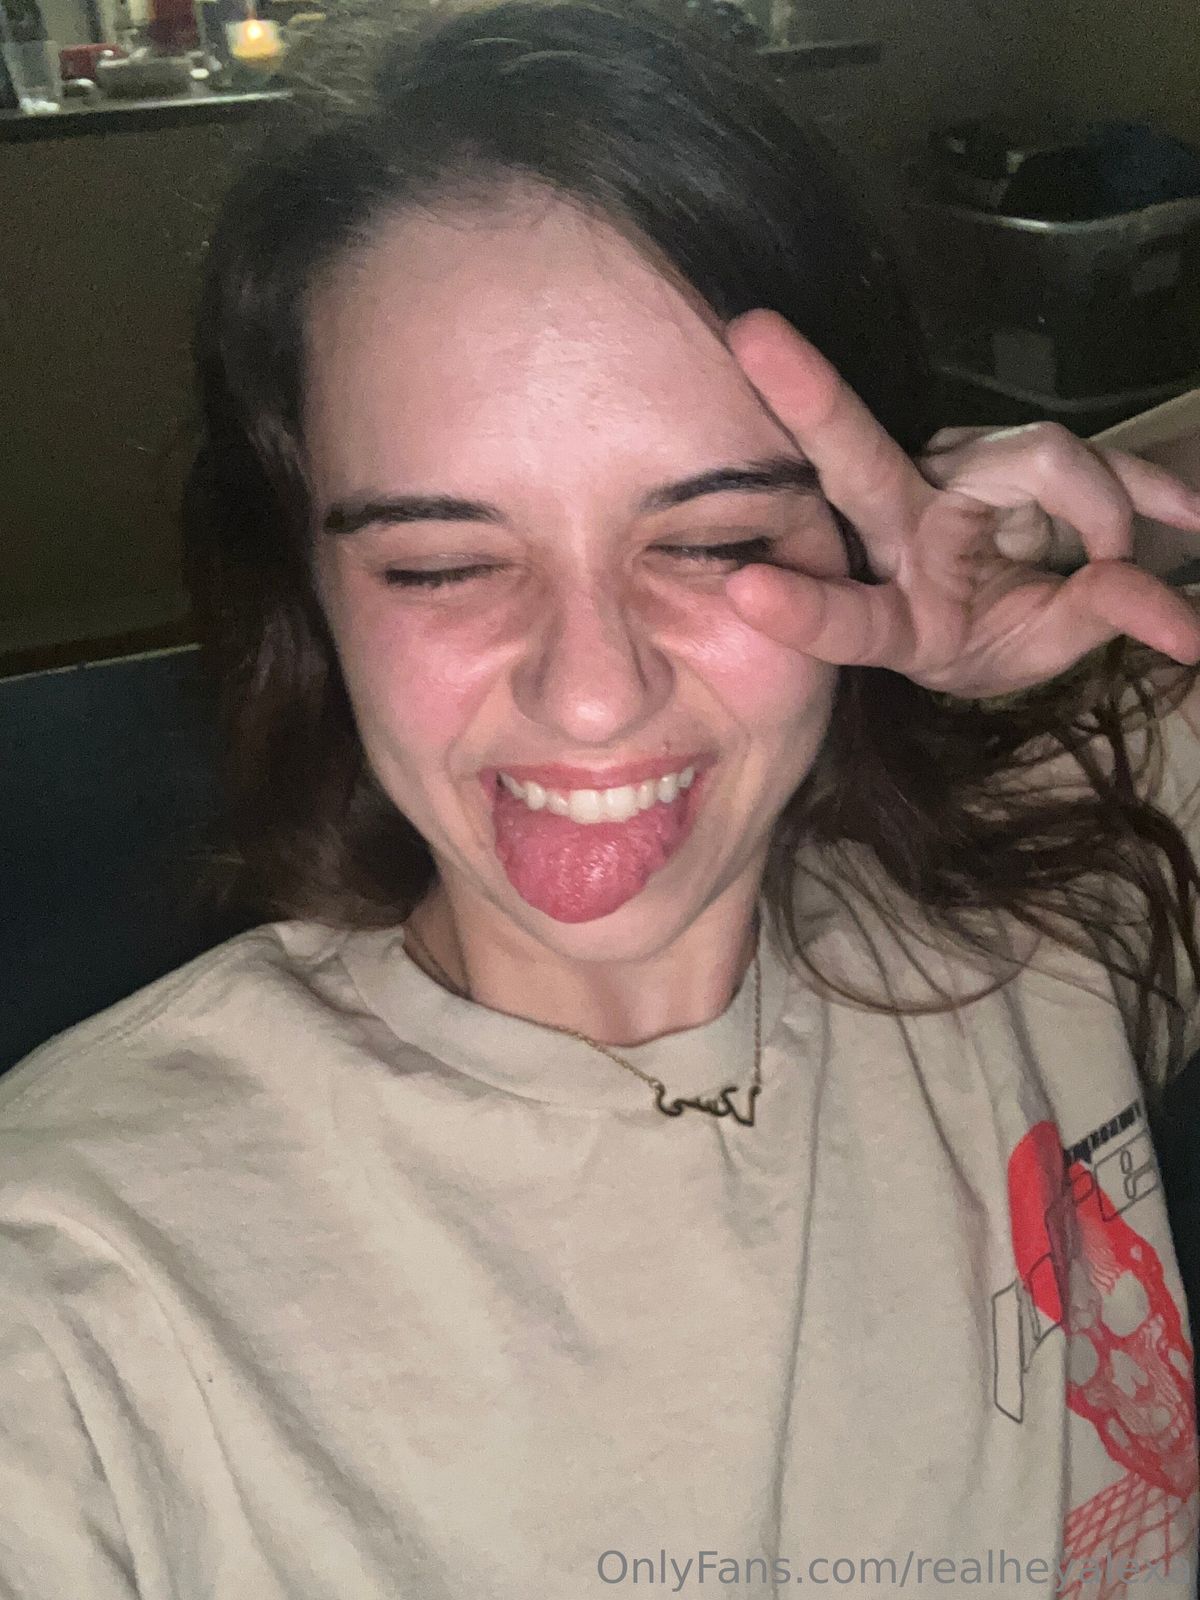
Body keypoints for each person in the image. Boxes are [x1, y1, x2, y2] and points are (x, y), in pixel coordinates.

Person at [2, 2, 1199, 1594]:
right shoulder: (71, 1299)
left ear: (864, 524)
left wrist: (1105, 528)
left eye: (710, 541)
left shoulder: (1050, 893)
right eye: (441, 564)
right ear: (313, 584)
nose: (590, 693)